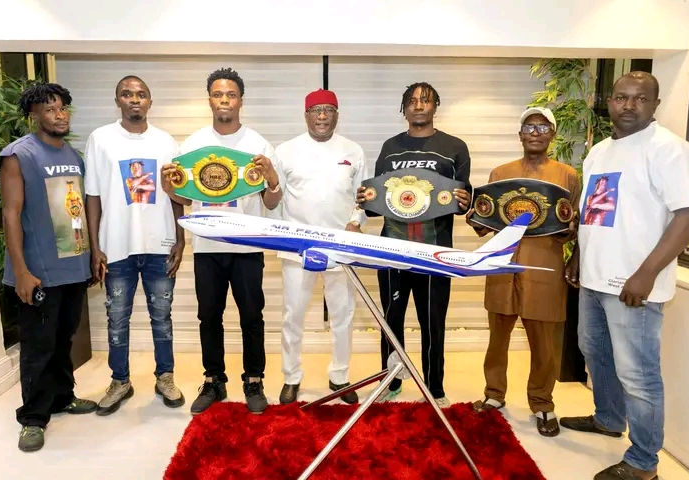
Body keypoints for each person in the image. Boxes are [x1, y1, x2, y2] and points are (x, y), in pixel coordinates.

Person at [560, 72, 689, 480]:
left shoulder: (669, 150)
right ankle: (608, 418)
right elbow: (595, 212)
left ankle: (644, 461)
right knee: (594, 351)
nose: (629, 105)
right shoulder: (599, 152)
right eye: (621, 97)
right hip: (594, 279)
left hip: (634, 286)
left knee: (638, 375)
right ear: (609, 102)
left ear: (655, 104)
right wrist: (578, 258)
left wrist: (645, 274)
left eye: (640, 99)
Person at [161, 67, 283, 415]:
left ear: (241, 100)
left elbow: (271, 202)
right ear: (210, 100)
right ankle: (214, 379)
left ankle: (254, 380)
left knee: (252, 316)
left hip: (247, 245)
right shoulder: (192, 145)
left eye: (231, 94)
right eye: (218, 94)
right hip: (207, 246)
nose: (224, 100)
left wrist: (273, 179)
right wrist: (169, 187)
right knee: (209, 316)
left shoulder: (258, 144)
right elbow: (185, 199)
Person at [356, 82, 472, 407]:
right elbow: (376, 200)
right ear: (404, 108)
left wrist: (466, 200)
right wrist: (366, 199)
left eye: (426, 100)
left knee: (433, 322)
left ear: (435, 106)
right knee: (391, 320)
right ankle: (390, 381)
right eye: (412, 100)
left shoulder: (455, 147)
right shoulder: (391, 147)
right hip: (392, 250)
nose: (419, 105)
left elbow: (462, 199)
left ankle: (434, 389)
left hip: (435, 252)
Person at [467, 107, 581, 437]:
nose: (535, 132)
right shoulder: (501, 174)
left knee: (545, 344)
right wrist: (474, 215)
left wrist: (570, 230)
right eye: (529, 127)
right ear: (520, 134)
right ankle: (494, 394)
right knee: (497, 339)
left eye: (543, 127)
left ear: (552, 135)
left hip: (545, 266)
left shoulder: (567, 176)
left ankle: (542, 404)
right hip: (502, 266)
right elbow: (487, 221)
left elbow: (573, 222)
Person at [0, 83, 98, 452]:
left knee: (63, 339)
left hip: (73, 266)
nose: (59, 115)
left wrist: (91, 256)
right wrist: (21, 271)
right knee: (38, 345)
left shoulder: (72, 154)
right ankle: (33, 418)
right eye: (50, 109)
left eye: (63, 108)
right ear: (34, 115)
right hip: (38, 270)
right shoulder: (18, 154)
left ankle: (62, 397)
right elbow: (10, 214)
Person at [84, 75, 186, 416]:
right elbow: (93, 196)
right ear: (117, 101)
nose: (134, 99)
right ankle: (120, 381)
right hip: (116, 247)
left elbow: (177, 194)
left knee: (162, 317)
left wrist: (180, 237)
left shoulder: (166, 142)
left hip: (160, 244)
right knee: (116, 319)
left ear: (150, 101)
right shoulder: (100, 139)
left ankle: (165, 377)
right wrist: (95, 246)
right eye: (127, 94)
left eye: (141, 94)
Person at [274, 89, 369, 405]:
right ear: (306, 116)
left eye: (329, 110)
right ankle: (291, 377)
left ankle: (340, 376)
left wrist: (356, 221)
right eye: (316, 110)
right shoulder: (286, 151)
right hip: (297, 248)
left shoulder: (353, 150)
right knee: (293, 315)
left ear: (337, 115)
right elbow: (275, 200)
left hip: (340, 246)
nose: (323, 116)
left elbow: (363, 196)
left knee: (343, 314)